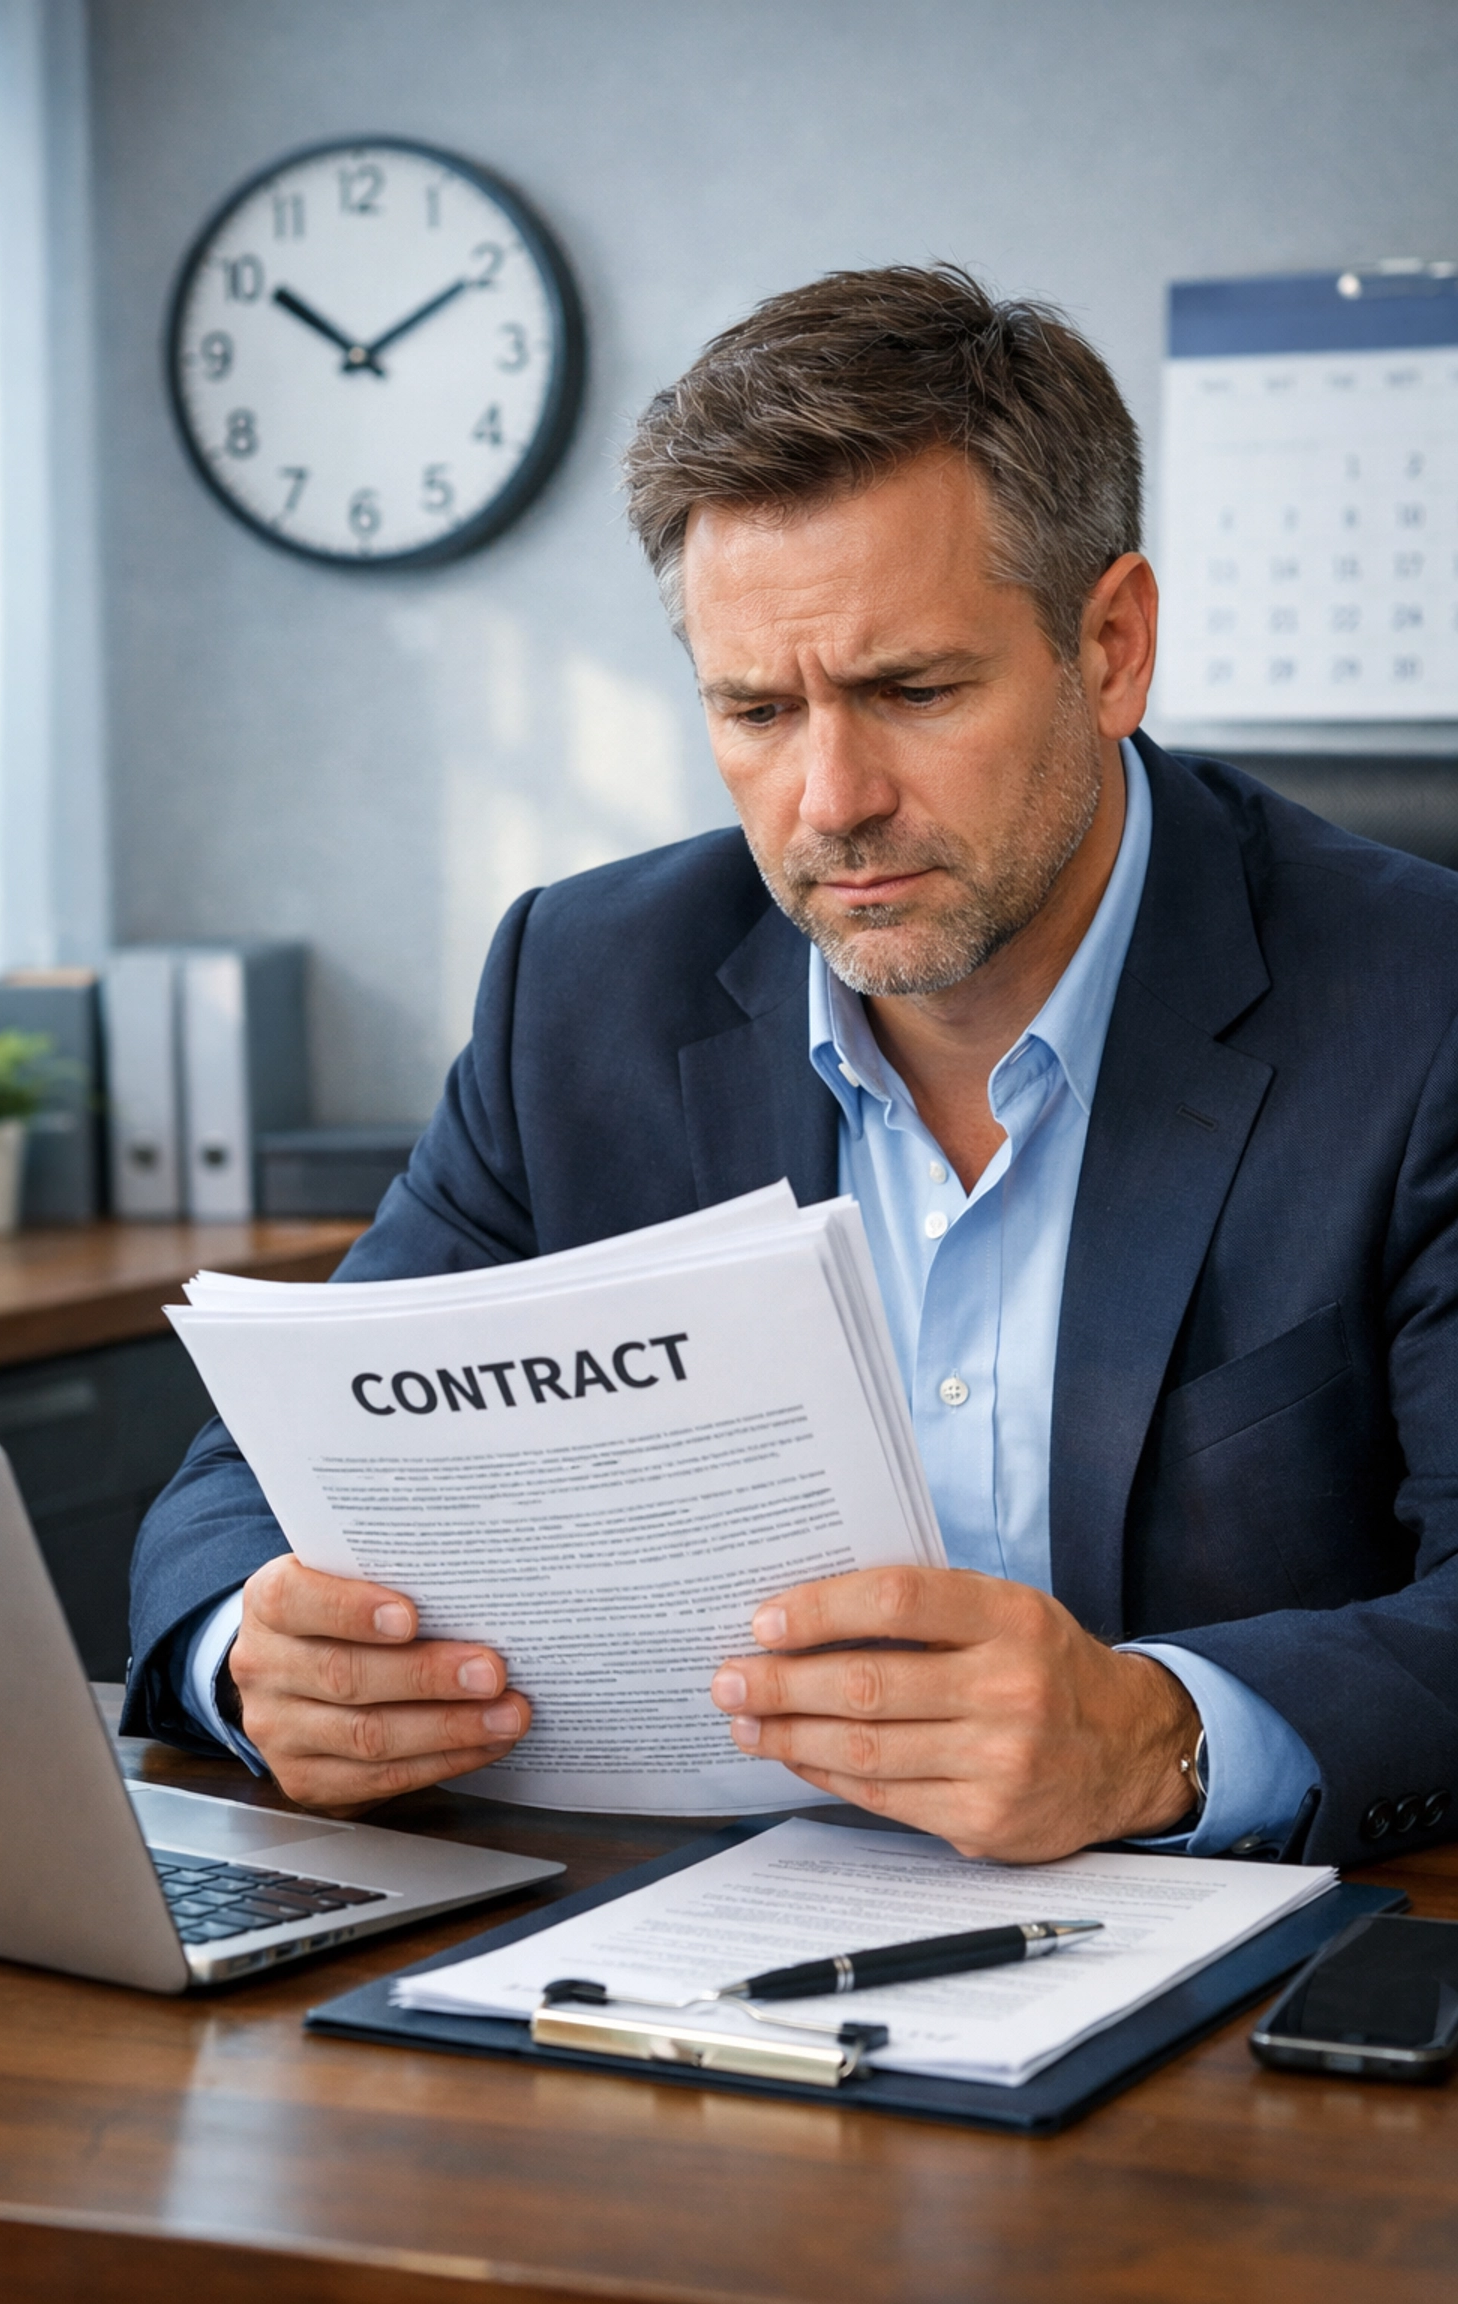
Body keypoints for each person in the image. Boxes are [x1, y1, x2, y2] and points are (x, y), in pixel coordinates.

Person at [124, 264, 1458, 1869]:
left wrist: (1159, 1738)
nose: (830, 798)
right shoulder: (582, 989)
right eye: (756, 708)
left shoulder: (1416, 1005)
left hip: (1238, 2006)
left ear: (1111, 646)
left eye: (914, 691)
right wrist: (253, 1658)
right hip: (659, 1963)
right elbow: (246, 1483)